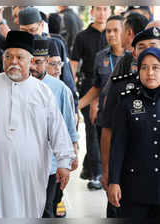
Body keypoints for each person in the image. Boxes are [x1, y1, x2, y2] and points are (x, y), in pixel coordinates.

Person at [0, 30, 75, 218]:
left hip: (31, 172)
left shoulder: (43, 92)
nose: (13, 61)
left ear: (31, 61)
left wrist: (64, 162)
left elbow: (57, 129)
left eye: (19, 57)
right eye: (8, 56)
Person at [108, 47, 160, 219]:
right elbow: (118, 145)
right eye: (144, 67)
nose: (150, 72)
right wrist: (113, 181)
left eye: (155, 67)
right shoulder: (127, 102)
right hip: (135, 187)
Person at [30, 37, 79, 218]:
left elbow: (68, 126)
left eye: (40, 62)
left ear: (46, 61)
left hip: (50, 163)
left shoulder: (60, 88)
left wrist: (70, 156)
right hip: (25, 163)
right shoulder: (19, 86)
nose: (34, 67)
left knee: (47, 208)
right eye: (32, 61)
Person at [70, 6, 111, 189]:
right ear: (92, 12)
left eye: (105, 9)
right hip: (89, 85)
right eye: (98, 9)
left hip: (112, 86)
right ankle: (97, 173)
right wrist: (71, 88)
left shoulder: (114, 33)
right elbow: (73, 63)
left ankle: (91, 166)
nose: (102, 13)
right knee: (92, 130)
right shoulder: (82, 36)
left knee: (107, 129)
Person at [18, 6, 78, 114]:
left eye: (32, 30)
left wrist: (75, 109)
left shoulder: (55, 44)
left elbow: (67, 78)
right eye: (24, 31)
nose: (28, 35)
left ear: (41, 25)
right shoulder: (17, 49)